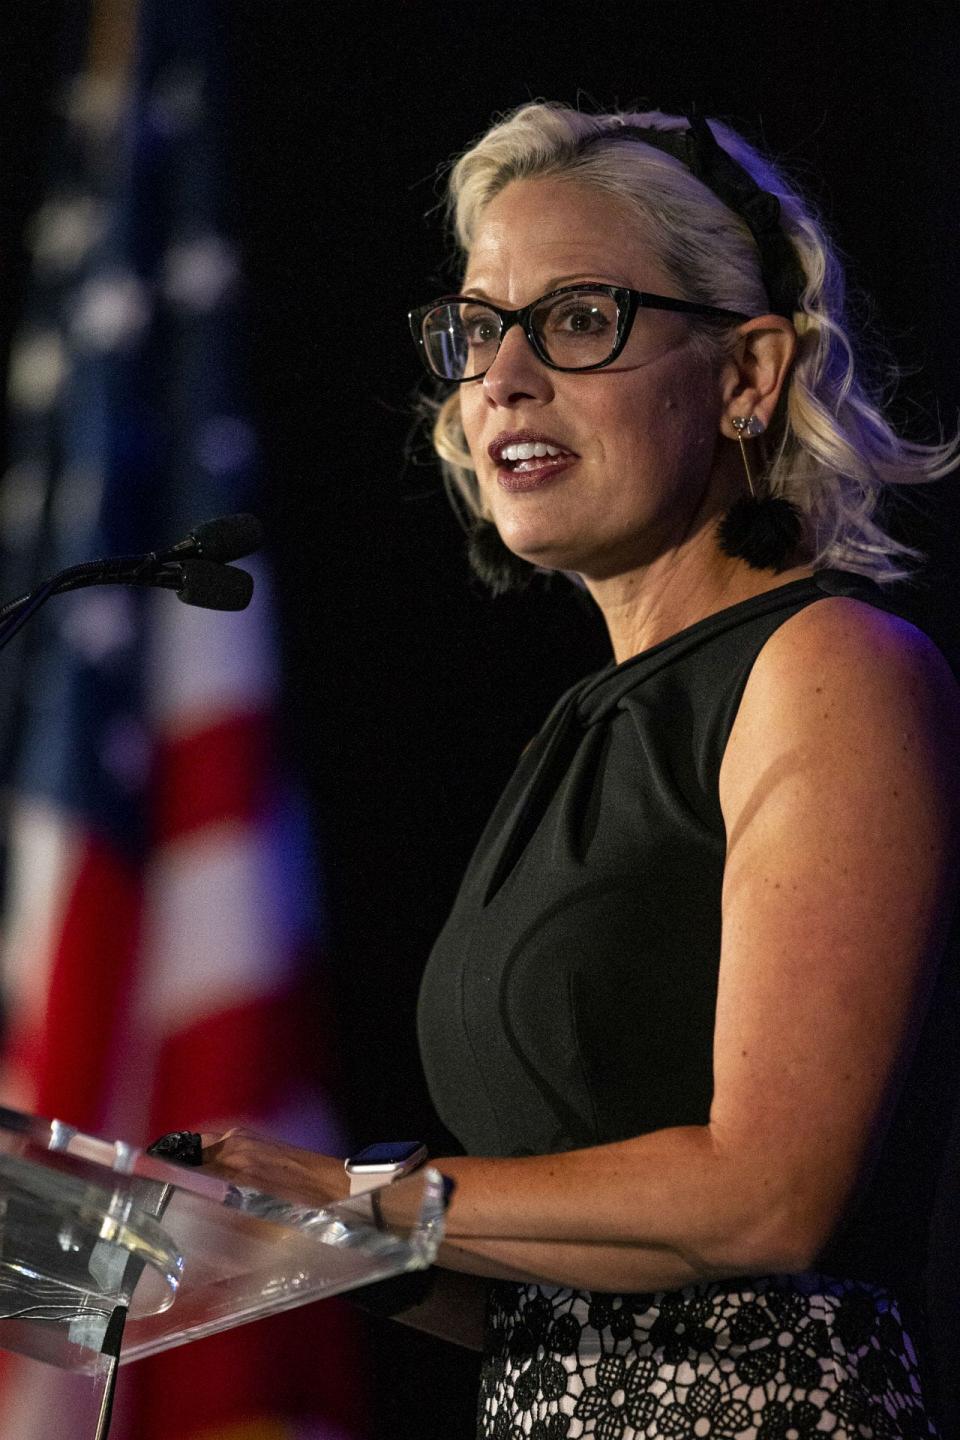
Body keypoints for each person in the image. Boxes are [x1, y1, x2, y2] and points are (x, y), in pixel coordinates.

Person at [198, 104, 960, 1438]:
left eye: (580, 318)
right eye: (481, 329)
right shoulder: (580, 731)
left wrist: (355, 1196)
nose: (501, 380)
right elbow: (549, 1300)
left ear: (747, 373)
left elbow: (767, 1194)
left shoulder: (832, 671)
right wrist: (302, 1244)